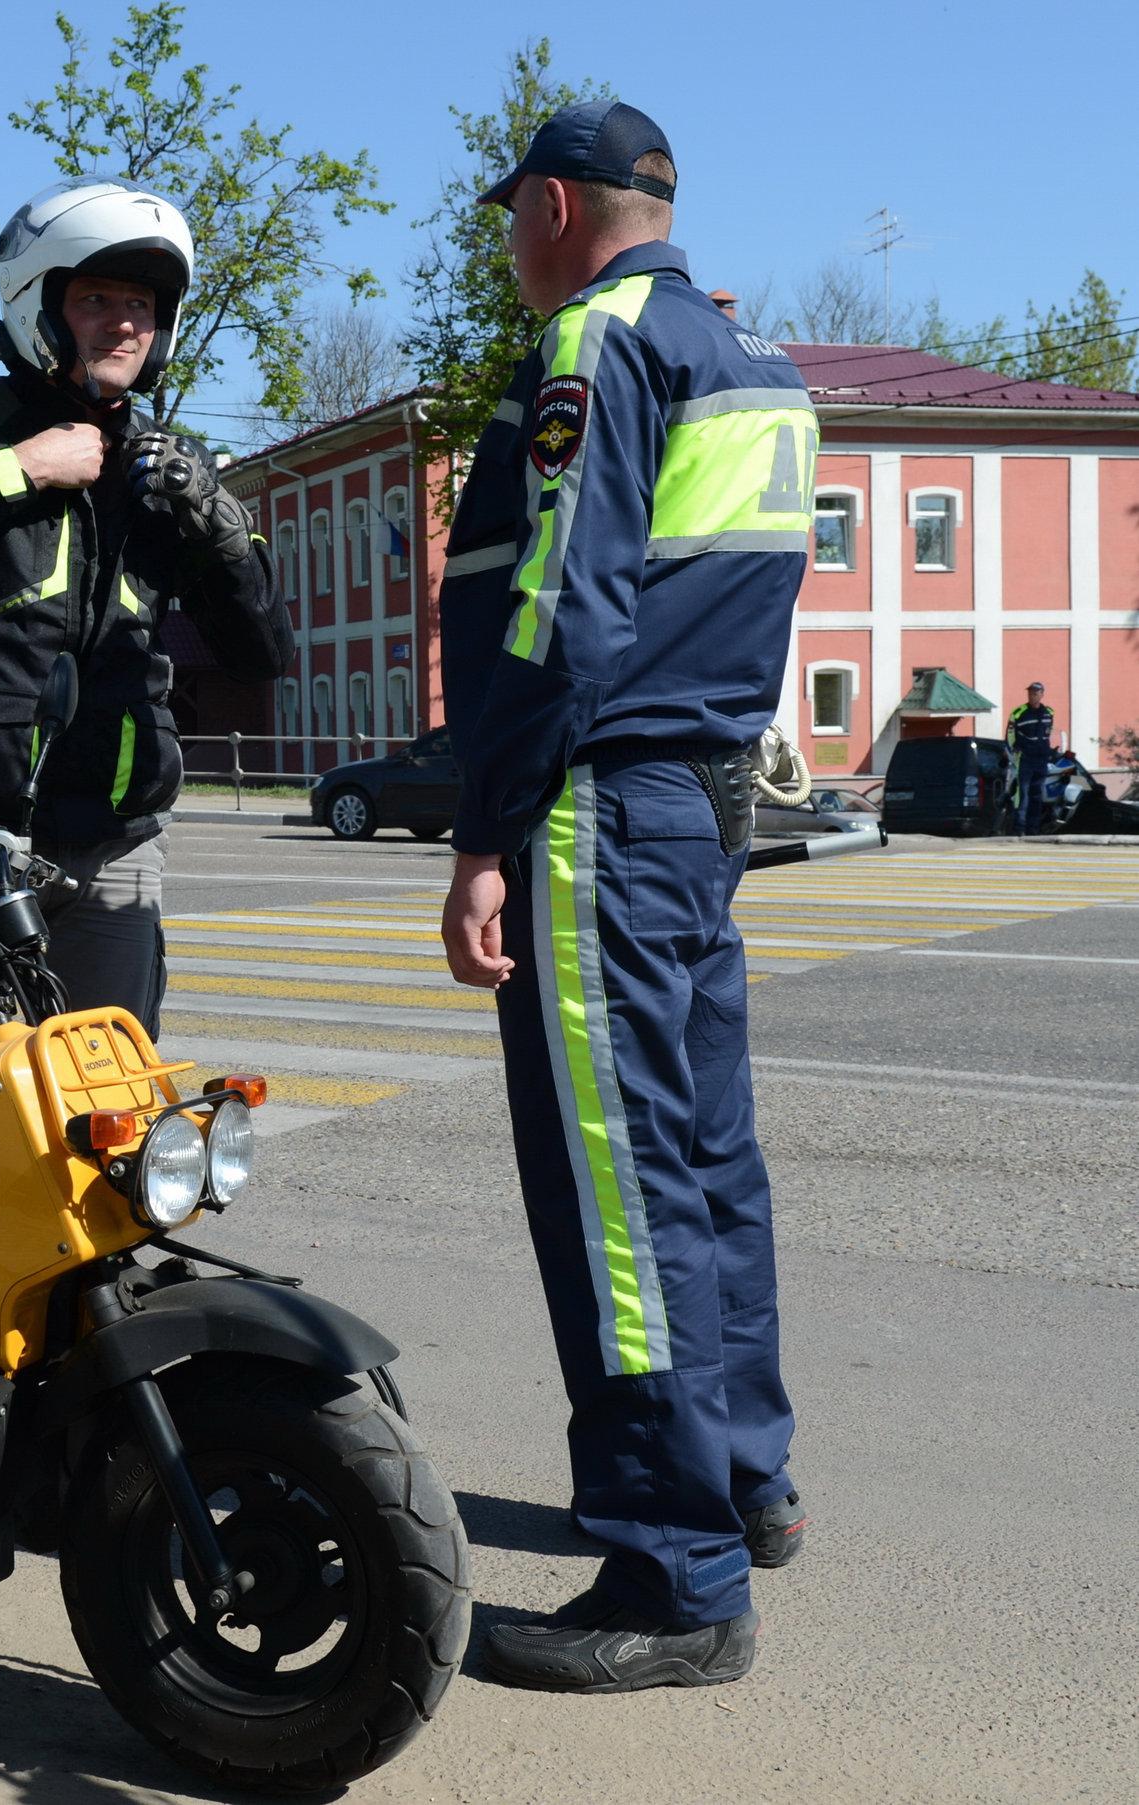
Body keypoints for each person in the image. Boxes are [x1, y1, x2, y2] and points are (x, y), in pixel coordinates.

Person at [435, 101, 815, 1692]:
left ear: (549, 206)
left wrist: (480, 830)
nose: (503, 240)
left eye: (507, 211)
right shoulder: (752, 364)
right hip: (693, 804)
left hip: (598, 807)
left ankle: (672, 1572)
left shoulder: (594, 352)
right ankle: (741, 1476)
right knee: (700, 1162)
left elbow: (556, 607)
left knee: (615, 1184)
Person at [0, 176, 293, 1390]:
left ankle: (44, 1427)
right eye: (98, 297)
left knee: (107, 1148)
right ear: (40, 306)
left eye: (142, 304)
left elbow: (260, 663)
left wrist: (221, 537)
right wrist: (22, 468)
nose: (124, 323)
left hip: (113, 851)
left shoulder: (165, 472)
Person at [1007, 681, 1056, 833]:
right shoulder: (1018, 713)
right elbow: (1010, 736)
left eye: (1036, 693)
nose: (1032, 695)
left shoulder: (1049, 712)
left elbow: (1048, 734)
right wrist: (1013, 753)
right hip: (1025, 760)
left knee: (1037, 795)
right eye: (1030, 693)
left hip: (1041, 760)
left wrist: (1050, 752)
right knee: (1023, 796)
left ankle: (1032, 829)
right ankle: (1019, 828)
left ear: (1042, 694)